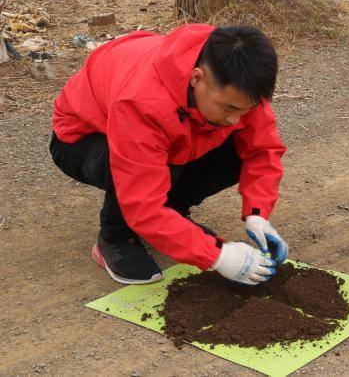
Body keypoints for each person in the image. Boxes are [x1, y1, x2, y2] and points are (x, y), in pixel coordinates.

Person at [50, 24, 288, 286]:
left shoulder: (241, 81)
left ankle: (172, 218)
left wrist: (258, 214)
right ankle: (115, 238)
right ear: (197, 78)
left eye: (245, 110)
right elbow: (142, 203)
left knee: (235, 153)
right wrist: (216, 255)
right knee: (163, 164)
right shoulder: (141, 102)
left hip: (170, 133)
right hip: (85, 137)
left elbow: (262, 150)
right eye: (229, 108)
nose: (235, 119)